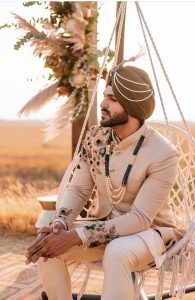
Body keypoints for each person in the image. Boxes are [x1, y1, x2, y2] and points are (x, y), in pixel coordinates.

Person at [25, 65, 185, 300]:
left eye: (112, 99)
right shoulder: (95, 138)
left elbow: (140, 218)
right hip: (100, 226)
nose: (102, 104)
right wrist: (60, 223)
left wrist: (77, 236)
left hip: (148, 233)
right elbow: (79, 189)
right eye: (104, 96)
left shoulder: (163, 154)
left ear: (133, 106)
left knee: (116, 252)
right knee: (49, 247)